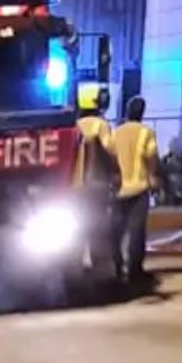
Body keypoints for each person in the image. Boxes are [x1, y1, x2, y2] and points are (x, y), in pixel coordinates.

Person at [111, 95, 160, 285]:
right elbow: (151, 156)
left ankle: (117, 267)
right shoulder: (146, 132)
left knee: (117, 231)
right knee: (136, 231)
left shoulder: (116, 133)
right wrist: (153, 176)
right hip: (139, 187)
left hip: (119, 190)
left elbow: (110, 156)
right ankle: (134, 271)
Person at [73, 82, 117, 275]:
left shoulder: (75, 125)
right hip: (97, 182)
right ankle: (99, 264)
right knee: (98, 224)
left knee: (79, 223)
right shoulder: (101, 125)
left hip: (75, 184)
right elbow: (111, 149)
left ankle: (77, 260)